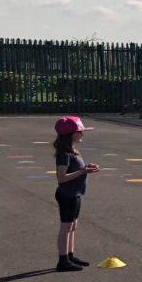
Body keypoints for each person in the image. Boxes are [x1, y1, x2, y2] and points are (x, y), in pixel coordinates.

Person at [52, 116, 99, 272]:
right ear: (70, 134)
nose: (82, 134)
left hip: (75, 194)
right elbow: (61, 178)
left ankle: (70, 255)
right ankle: (63, 260)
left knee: (73, 226)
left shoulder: (73, 151)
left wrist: (87, 168)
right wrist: (82, 171)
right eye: (80, 132)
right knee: (66, 227)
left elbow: (77, 169)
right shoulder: (64, 154)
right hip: (67, 195)